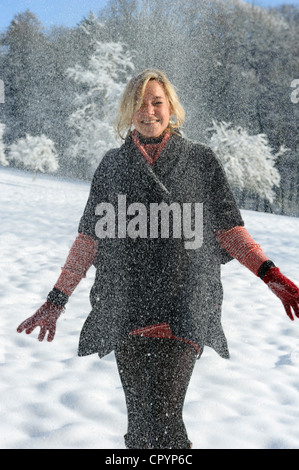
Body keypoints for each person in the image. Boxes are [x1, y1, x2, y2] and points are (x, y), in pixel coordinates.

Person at [17, 69, 299, 449]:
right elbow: (88, 241)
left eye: (156, 102)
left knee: (165, 422)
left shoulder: (200, 161)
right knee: (139, 430)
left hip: (183, 307)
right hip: (127, 308)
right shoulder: (112, 167)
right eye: (139, 104)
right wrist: (56, 300)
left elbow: (228, 231)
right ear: (127, 111)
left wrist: (272, 276)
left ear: (171, 109)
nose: (148, 111)